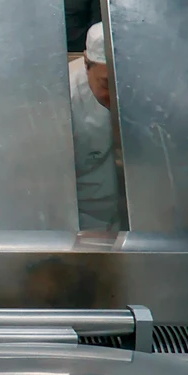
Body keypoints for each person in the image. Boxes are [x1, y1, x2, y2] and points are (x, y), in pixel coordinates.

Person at [70, 22, 124, 230]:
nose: (117, 96)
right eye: (106, 84)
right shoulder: (66, 100)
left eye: (123, 84)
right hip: (86, 227)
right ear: (86, 63)